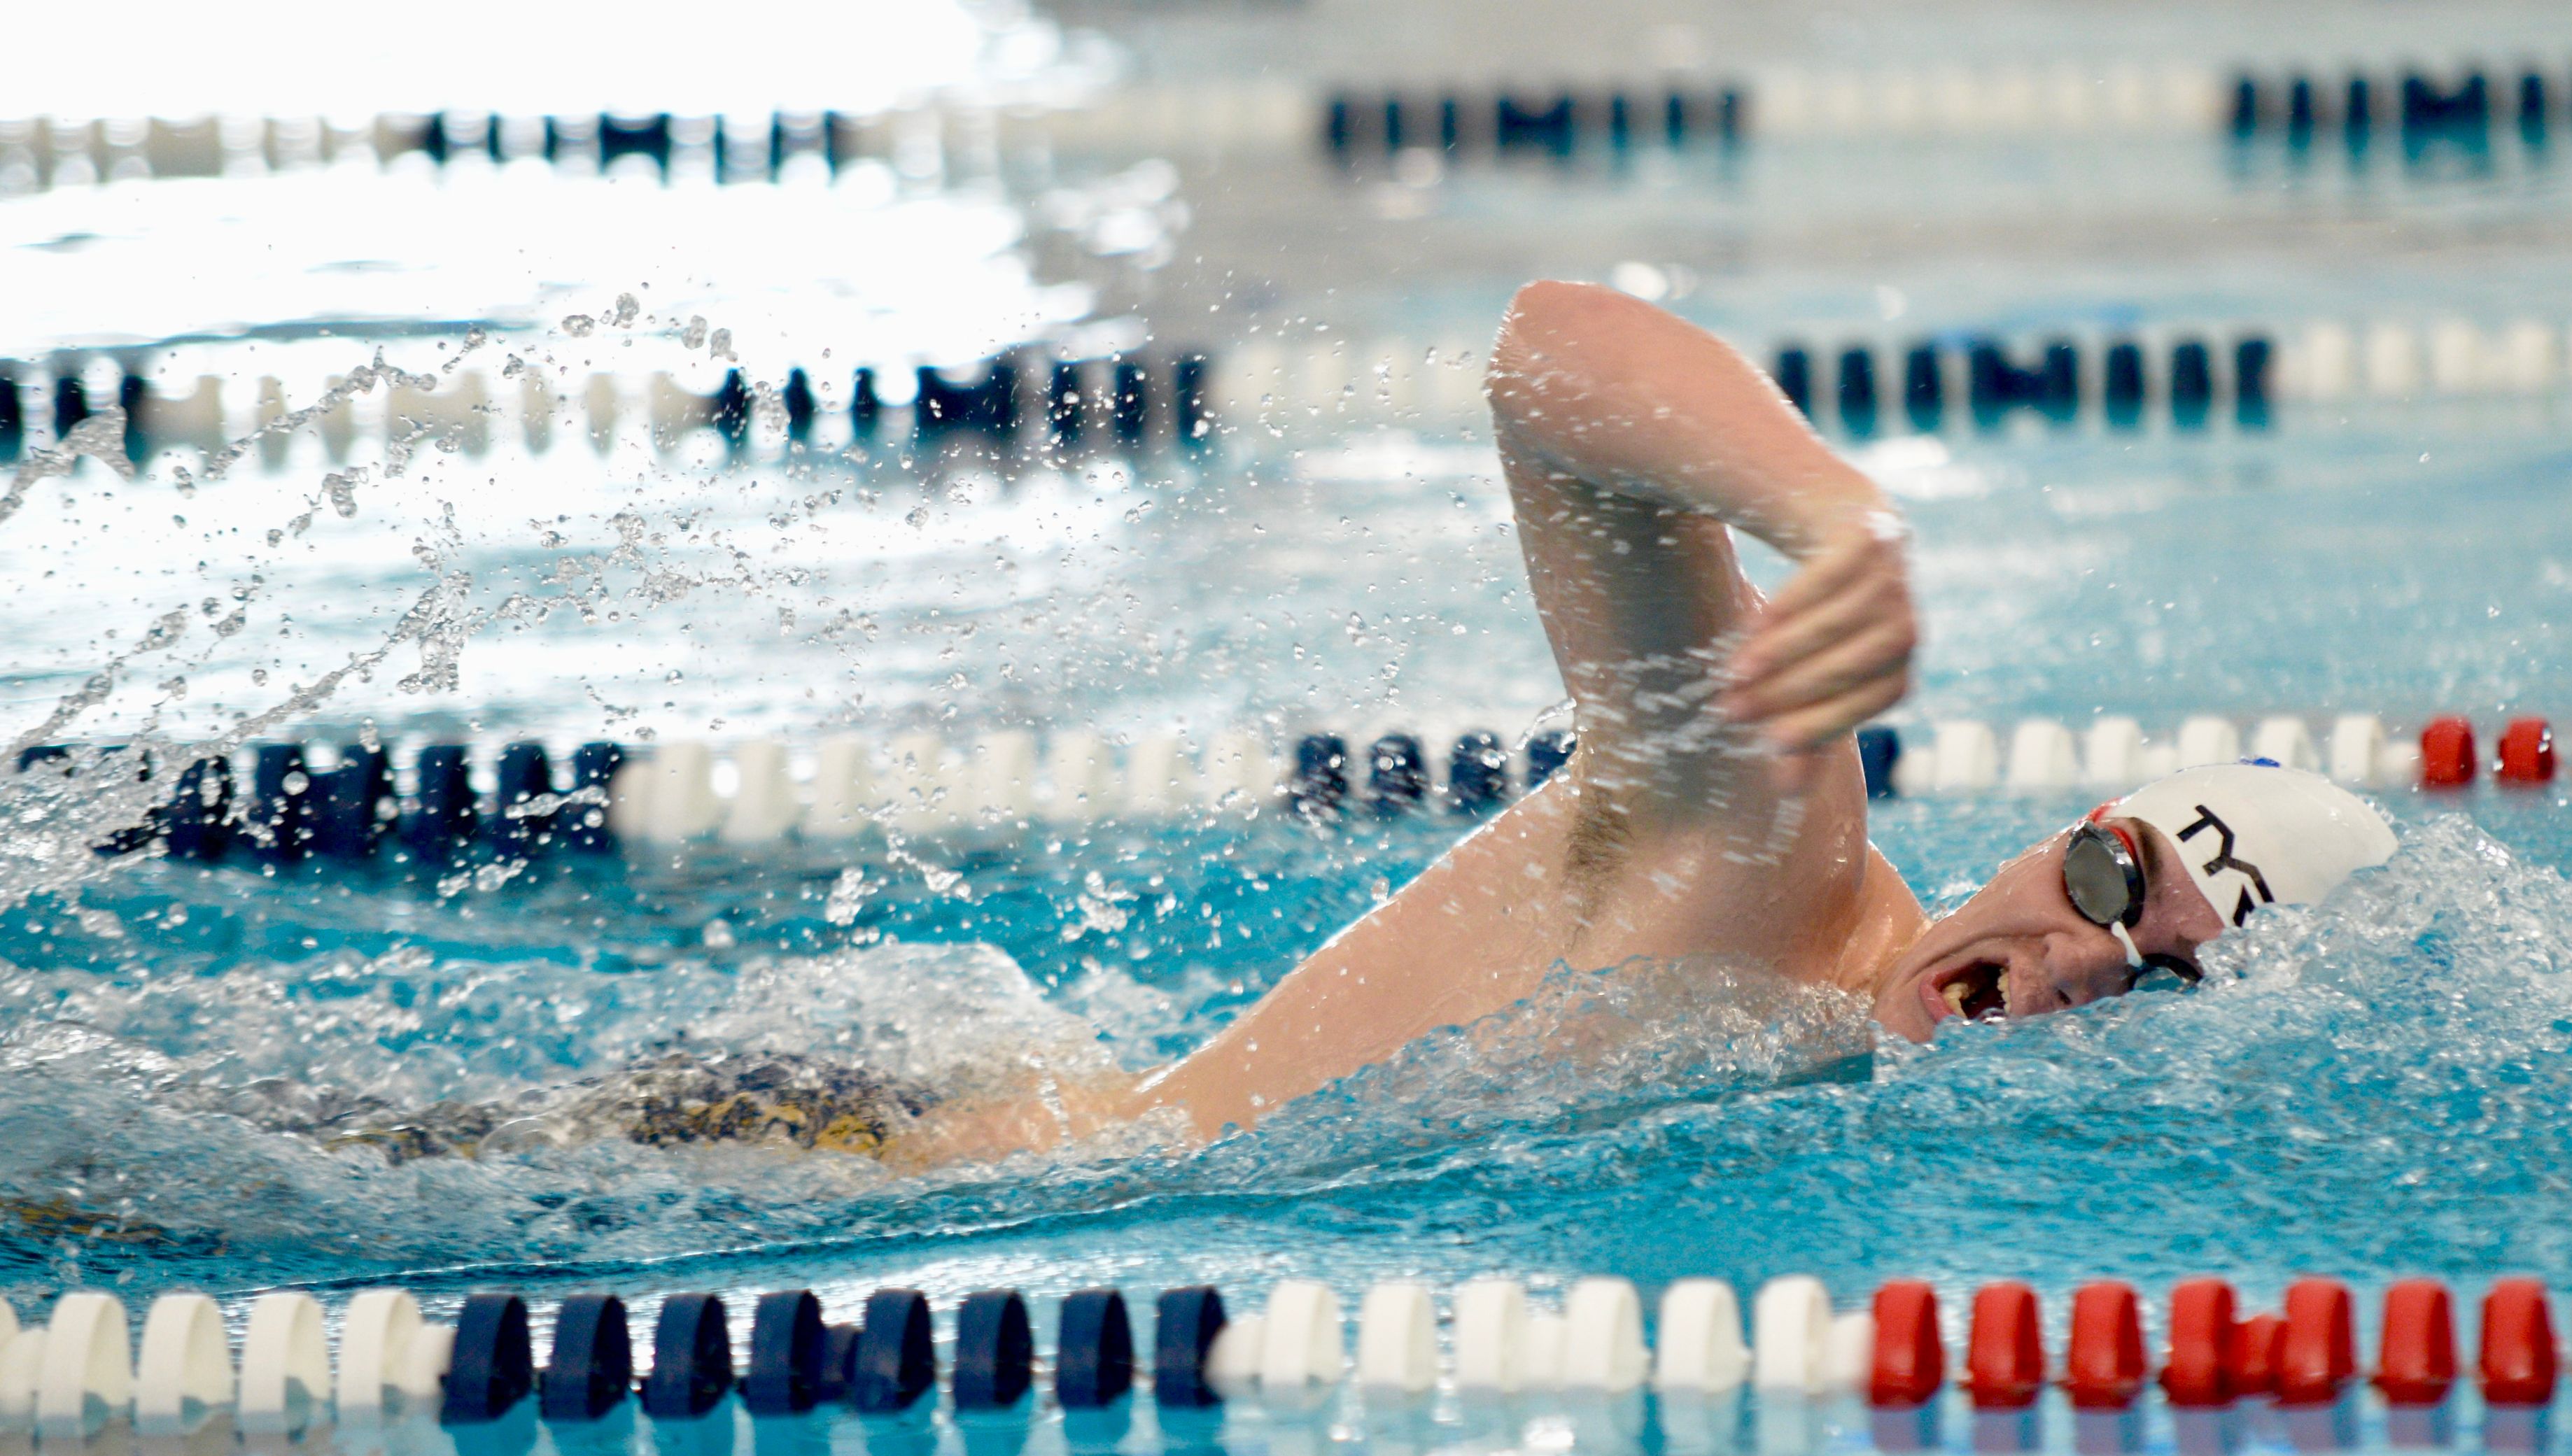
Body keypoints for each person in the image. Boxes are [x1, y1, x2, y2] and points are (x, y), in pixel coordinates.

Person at [315, 281, 2396, 1173]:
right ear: (2078, 827)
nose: (2061, 969)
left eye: (2141, 994)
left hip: (940, 1114)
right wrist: (1833, 509)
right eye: (2108, 885)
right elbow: (1549, 359)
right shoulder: (1784, 873)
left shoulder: (1827, 1051)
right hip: (839, 1149)